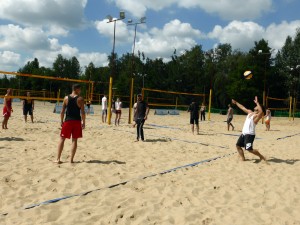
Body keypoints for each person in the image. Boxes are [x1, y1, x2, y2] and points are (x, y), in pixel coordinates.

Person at [55, 84, 85, 164]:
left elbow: (62, 111)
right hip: (76, 121)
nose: (80, 91)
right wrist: (83, 122)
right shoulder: (80, 99)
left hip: (68, 121)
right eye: (80, 89)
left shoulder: (66, 98)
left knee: (62, 139)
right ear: (76, 89)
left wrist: (61, 121)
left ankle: (58, 159)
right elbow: (83, 113)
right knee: (74, 140)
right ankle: (71, 160)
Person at [232, 96, 267, 162]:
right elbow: (242, 107)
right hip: (243, 134)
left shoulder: (257, 117)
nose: (256, 106)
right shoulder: (250, 112)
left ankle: (261, 156)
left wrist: (257, 103)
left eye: (257, 106)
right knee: (238, 146)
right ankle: (243, 159)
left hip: (249, 135)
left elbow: (261, 111)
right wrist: (236, 103)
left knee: (249, 149)